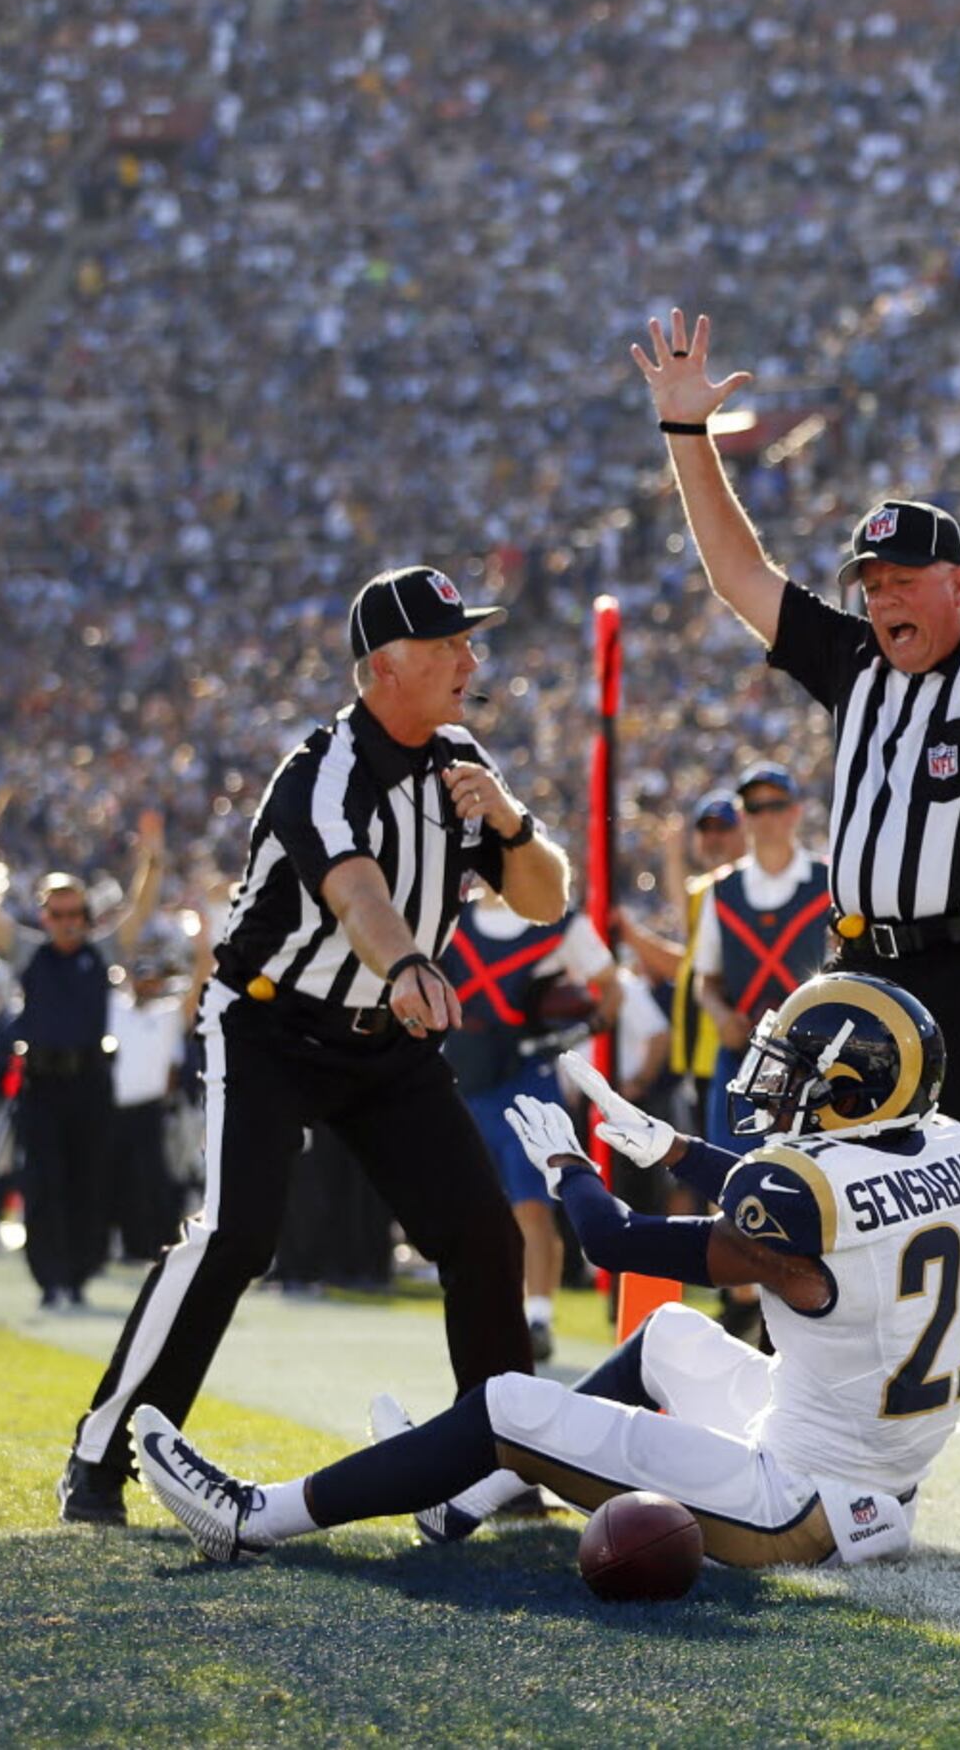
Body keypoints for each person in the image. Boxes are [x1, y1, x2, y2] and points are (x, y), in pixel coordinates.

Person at [632, 306, 960, 1533]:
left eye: (903, 581)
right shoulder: (854, 668)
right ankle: (842, 1456)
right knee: (829, 1203)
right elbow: (737, 574)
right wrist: (685, 432)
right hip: (857, 981)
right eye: (868, 583)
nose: (879, 602)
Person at [134, 974, 960, 1571]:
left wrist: (567, 1167)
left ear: (854, 1090)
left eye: (798, 1075)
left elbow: (617, 1242)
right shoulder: (956, 1148)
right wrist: (673, 1147)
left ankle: (257, 1514)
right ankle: (462, 1498)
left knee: (512, 1401)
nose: (774, 1088)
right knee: (666, 1337)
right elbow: (814, 1204)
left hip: (799, 1504)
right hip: (875, 1480)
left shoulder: (801, 1197)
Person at [58, 565, 572, 1525]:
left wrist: (508, 819)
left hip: (386, 1044)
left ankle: (502, 1465)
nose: (471, 658)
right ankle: (102, 1451)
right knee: (235, 1235)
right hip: (272, 1025)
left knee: (481, 1234)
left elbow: (546, 898)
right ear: (383, 666)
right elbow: (355, 891)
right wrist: (412, 964)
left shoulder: (460, 760)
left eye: (470, 641)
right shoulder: (322, 768)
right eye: (448, 643)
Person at [0, 806, 166, 1307]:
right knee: (44, 1183)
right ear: (44, 917)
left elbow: (139, 910)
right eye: (58, 915)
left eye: (77, 915)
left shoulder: (101, 952)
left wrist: (152, 856)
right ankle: (52, 1280)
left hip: (90, 1081)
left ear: (87, 918)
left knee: (89, 1181)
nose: (69, 924)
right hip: (42, 1085)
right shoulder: (32, 954)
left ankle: (79, 1275)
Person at [441, 887, 615, 1361]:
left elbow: (610, 985)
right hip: (465, 1073)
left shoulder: (561, 922)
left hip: (527, 1078)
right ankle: (485, 1311)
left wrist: (578, 1031)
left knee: (533, 1205)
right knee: (473, 1208)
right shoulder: (452, 917)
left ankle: (536, 1317)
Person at [693, 763, 831, 1152]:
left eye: (775, 805)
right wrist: (722, 1018)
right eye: (755, 808)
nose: (765, 816)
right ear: (744, 818)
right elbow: (707, 980)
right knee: (729, 1176)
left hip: (816, 1059)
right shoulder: (721, 891)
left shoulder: (828, 881)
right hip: (743, 1055)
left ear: (795, 811)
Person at [615, 790, 746, 1137]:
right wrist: (672, 857)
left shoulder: (735, 889)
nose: (713, 838)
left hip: (732, 1051)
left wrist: (632, 936)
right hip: (704, 1057)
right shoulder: (709, 889)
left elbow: (689, 964)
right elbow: (690, 958)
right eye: (706, 829)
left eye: (724, 828)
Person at [105, 923, 211, 1266]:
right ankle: (120, 1244)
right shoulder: (115, 1008)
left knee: (153, 1180)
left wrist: (203, 942)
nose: (147, 984)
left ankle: (155, 1245)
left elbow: (197, 989)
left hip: (151, 1110)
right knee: (115, 1179)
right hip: (113, 1110)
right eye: (142, 978)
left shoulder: (166, 1014)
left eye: (152, 979)